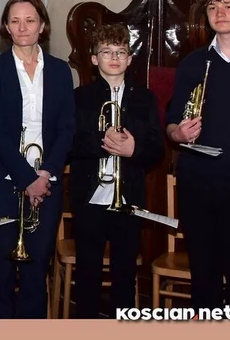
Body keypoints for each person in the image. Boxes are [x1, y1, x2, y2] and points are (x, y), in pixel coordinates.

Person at [0, 0, 74, 319]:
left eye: (30, 20)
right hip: (2, 181)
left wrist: (44, 173)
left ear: (42, 25)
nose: (22, 27)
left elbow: (67, 128)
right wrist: (26, 178)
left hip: (46, 182)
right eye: (15, 21)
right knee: (1, 270)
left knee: (37, 269)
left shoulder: (60, 70)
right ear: (6, 26)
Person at [166, 0, 230, 318]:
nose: (220, 13)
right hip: (199, 185)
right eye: (213, 7)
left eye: (229, 6)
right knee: (203, 278)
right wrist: (178, 133)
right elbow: (171, 123)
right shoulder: (192, 63)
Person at [70, 24, 163, 318]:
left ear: (129, 59)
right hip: (90, 198)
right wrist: (104, 140)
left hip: (128, 199)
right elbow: (68, 143)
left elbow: (156, 149)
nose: (114, 57)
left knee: (125, 273)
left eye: (120, 52)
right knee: (87, 273)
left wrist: (134, 150)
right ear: (94, 58)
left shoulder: (145, 98)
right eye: (106, 52)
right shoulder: (79, 97)